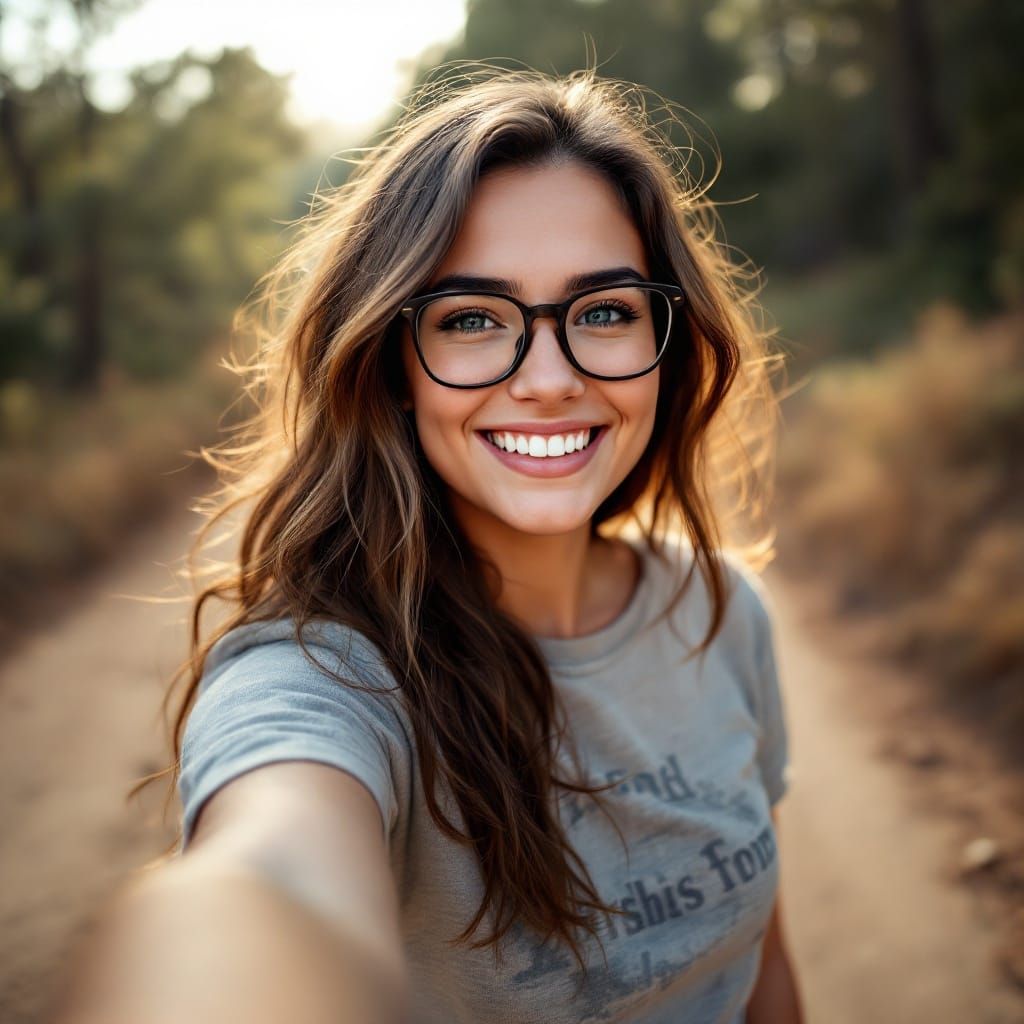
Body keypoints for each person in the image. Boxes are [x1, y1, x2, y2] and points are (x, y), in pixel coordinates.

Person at [55, 65, 803, 1024]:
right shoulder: (325, 681)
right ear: (393, 368)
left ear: (668, 337)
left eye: (605, 311)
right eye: (473, 320)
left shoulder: (723, 613)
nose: (548, 380)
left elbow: (762, 964)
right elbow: (272, 873)